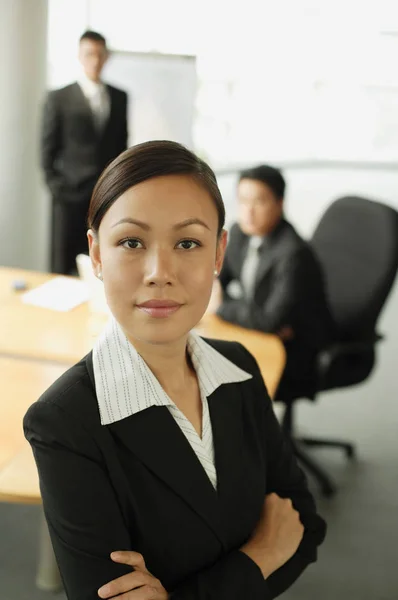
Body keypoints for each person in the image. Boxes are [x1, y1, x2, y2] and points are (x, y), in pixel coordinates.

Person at [24, 142, 326, 600]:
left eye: (188, 242)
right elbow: (282, 543)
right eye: (131, 242)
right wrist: (262, 554)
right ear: (97, 255)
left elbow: (305, 528)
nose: (159, 272)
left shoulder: (239, 369)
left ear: (219, 253)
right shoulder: (64, 423)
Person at [210, 165, 335, 400]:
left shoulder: (293, 253)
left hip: (296, 349)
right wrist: (251, 313)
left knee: (225, 382)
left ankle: (257, 436)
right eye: (243, 201)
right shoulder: (239, 233)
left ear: (280, 203)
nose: (248, 211)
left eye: (259, 202)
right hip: (265, 333)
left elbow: (268, 321)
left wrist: (222, 306)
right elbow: (215, 278)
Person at [41, 30, 128, 275]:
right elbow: (47, 150)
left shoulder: (120, 98)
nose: (95, 60)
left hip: (104, 195)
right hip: (69, 195)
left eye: (100, 54)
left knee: (102, 260)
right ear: (80, 56)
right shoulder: (59, 98)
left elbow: (121, 147)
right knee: (63, 264)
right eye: (90, 54)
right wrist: (57, 188)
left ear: (107, 57)